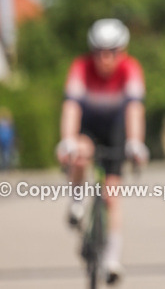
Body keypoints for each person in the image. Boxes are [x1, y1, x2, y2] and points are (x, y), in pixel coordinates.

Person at [57, 19, 148, 284]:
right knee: (80, 151)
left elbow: (134, 110)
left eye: (113, 52)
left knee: (111, 195)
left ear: (124, 51)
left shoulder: (131, 70)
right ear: (91, 50)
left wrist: (135, 142)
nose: (106, 58)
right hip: (89, 126)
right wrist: (67, 140)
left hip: (116, 129)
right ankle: (76, 202)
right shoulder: (80, 68)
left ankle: (111, 259)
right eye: (99, 51)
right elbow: (71, 108)